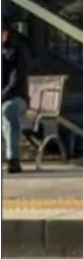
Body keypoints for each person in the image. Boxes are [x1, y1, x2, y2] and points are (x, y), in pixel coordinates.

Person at [0, 19, 28, 174]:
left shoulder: (15, 53)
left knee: (7, 109)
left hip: (16, 99)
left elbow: (15, 81)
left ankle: (13, 159)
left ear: (5, 34)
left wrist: (2, 97)